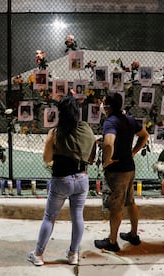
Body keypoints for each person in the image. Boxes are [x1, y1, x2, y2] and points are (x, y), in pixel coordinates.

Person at [27, 96, 96, 266]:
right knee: (78, 216)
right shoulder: (86, 128)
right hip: (82, 179)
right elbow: (92, 152)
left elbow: (46, 158)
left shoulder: (56, 132)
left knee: (50, 217)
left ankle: (38, 255)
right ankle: (73, 255)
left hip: (61, 180)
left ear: (60, 113)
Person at [94, 92, 149, 252]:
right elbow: (144, 135)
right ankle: (133, 234)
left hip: (116, 171)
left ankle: (112, 242)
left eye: (104, 104)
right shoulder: (130, 120)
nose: (103, 106)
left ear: (108, 106)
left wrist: (107, 160)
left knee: (116, 207)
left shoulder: (110, 122)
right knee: (130, 202)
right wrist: (133, 152)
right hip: (129, 168)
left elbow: (110, 142)